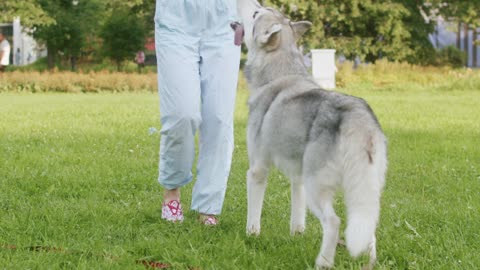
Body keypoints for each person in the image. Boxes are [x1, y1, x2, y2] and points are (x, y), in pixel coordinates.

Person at [155, 0, 241, 225]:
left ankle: (208, 206)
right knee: (181, 114)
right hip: (175, 20)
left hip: (225, 22)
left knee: (219, 118)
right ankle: (171, 191)